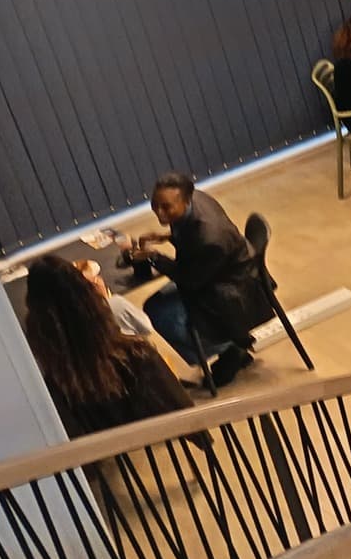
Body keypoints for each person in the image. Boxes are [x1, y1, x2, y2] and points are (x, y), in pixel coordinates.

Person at [23, 256, 194, 436]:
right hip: (146, 426)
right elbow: (180, 407)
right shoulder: (135, 354)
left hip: (100, 438)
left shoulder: (57, 386)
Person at [127, 173, 266, 388]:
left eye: (166, 207)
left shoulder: (211, 238)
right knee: (157, 304)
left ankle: (230, 348)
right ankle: (227, 346)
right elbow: (190, 236)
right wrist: (167, 237)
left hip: (229, 289)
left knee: (160, 313)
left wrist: (155, 257)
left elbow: (190, 280)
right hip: (216, 269)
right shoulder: (195, 199)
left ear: (185, 201)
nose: (159, 212)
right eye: (155, 205)